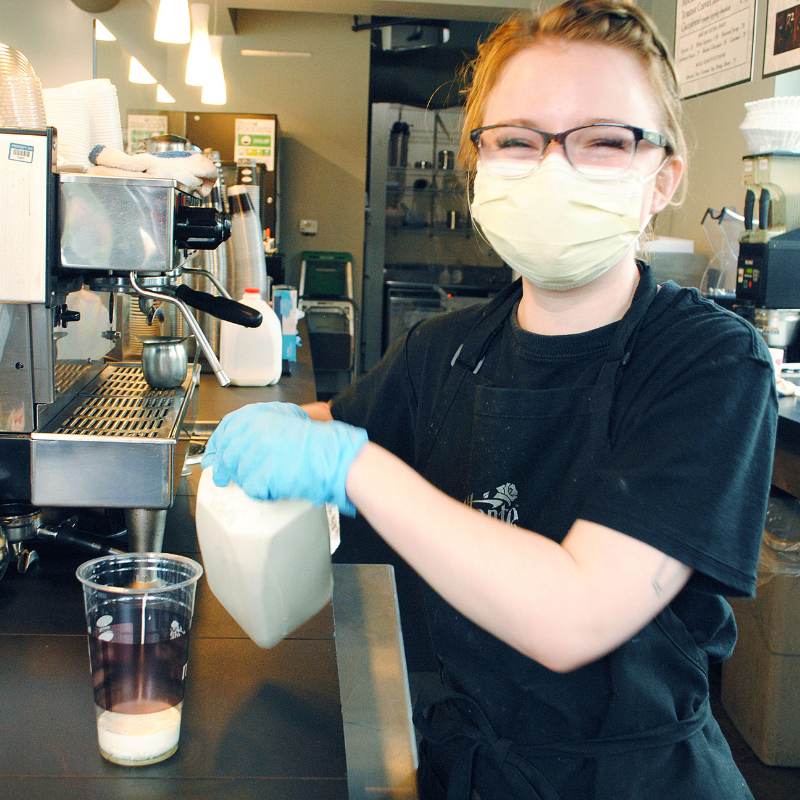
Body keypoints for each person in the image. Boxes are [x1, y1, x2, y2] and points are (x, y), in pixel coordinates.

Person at [202, 2, 778, 797]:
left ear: (663, 179)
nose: (553, 168)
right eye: (517, 140)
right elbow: (328, 427)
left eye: (604, 140)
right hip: (464, 765)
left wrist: (353, 467)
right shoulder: (444, 349)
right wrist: (268, 425)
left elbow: (574, 614)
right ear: (479, 164)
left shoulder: (708, 363)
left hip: (635, 777)